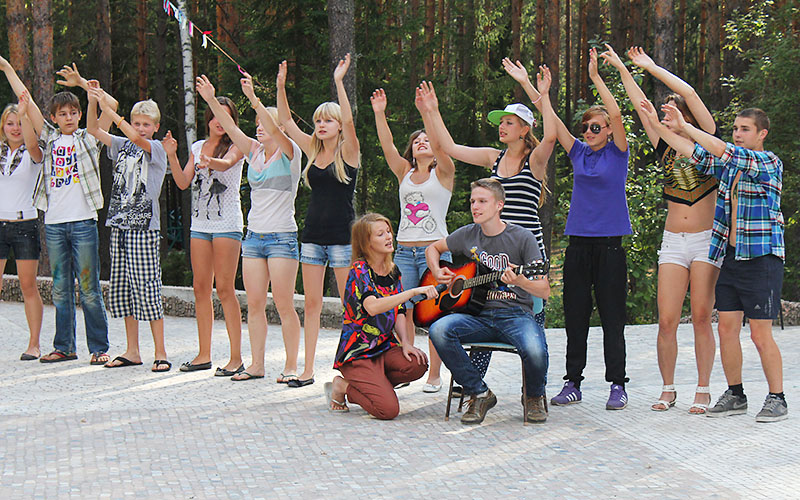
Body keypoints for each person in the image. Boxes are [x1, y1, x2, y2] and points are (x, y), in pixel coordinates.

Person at [641, 102, 787, 423]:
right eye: (735, 129)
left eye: (744, 129)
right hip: (730, 257)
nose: (738, 134)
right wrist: (663, 127)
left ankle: (777, 397)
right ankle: (736, 393)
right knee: (726, 331)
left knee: (761, 335)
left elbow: (721, 149)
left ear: (762, 134)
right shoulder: (730, 169)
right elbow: (698, 155)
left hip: (761, 259)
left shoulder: (766, 162)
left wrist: (686, 126)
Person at [419, 65, 557, 386]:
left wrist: (537, 91)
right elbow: (451, 148)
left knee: (530, 318)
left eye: (509, 122)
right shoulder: (492, 158)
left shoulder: (533, 161)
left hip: (526, 252)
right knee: (483, 311)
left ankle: (533, 390)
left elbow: (551, 135)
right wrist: (434, 111)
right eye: (500, 122)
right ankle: (474, 388)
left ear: (524, 129)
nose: (501, 126)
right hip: (492, 252)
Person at [603, 45, 720, 414]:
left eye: (674, 113)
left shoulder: (709, 140)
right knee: (667, 319)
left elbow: (689, 94)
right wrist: (624, 68)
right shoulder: (662, 144)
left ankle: (703, 388)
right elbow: (639, 105)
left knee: (702, 316)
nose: (668, 116)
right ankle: (668, 388)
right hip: (674, 241)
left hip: (705, 240)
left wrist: (652, 68)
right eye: (665, 113)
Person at [193, 73, 303, 382]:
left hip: (282, 237)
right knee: (254, 304)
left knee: (284, 304)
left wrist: (255, 98)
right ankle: (256, 365)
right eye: (257, 122)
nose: (259, 126)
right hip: (254, 238)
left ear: (279, 128)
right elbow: (230, 127)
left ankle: (291, 366)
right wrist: (212, 99)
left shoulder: (290, 153)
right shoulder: (254, 151)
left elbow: (272, 126)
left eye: (265, 122)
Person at [546, 47, 631, 410]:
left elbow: (615, 111)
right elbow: (556, 126)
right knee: (575, 317)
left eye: (596, 127)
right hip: (578, 246)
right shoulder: (578, 152)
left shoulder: (618, 152)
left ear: (609, 130)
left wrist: (597, 76)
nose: (589, 132)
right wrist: (542, 93)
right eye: (586, 128)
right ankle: (573, 381)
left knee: (613, 318)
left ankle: (617, 384)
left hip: (611, 247)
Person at [426, 178, 551, 425]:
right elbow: (433, 248)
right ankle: (479, 392)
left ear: (499, 205)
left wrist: (521, 281)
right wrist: (437, 270)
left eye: (482, 201)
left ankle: (533, 396)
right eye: (473, 201)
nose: (475, 206)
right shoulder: (467, 235)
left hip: (515, 315)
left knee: (535, 350)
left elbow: (544, 290)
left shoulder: (522, 238)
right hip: (477, 316)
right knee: (438, 330)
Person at [277, 54, 360, 388]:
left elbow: (352, 123)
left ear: (338, 125)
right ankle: (307, 370)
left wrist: (339, 82)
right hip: (312, 237)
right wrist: (281, 86)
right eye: (318, 121)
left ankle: (351, 371)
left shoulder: (349, 151)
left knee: (348, 306)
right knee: (311, 305)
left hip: (342, 238)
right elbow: (284, 120)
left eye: (328, 120)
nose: (321, 125)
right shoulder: (312, 150)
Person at [22, 63, 113, 365]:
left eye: (73, 113)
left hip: (84, 222)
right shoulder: (49, 139)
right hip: (55, 224)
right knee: (61, 289)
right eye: (63, 114)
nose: (69, 118)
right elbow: (31, 108)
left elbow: (109, 105)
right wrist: (9, 69)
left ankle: (99, 348)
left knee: (88, 288)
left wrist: (82, 83)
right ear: (54, 118)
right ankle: (64, 347)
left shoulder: (89, 138)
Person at [369, 86, 455, 393]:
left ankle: (434, 374)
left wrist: (429, 113)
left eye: (426, 140)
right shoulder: (404, 171)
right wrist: (380, 113)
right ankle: (408, 362)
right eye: (416, 141)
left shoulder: (443, 172)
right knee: (401, 308)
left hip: (434, 250)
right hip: (404, 250)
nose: (421, 143)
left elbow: (444, 146)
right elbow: (387, 144)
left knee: (434, 311)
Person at [85, 84, 171, 372]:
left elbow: (135, 138)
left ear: (155, 127)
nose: (141, 128)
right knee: (124, 290)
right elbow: (94, 132)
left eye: (147, 124)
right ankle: (132, 350)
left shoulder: (156, 150)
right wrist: (92, 102)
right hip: (120, 225)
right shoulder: (122, 146)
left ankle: (161, 351)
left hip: (144, 228)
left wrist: (112, 111)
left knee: (148, 287)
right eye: (137, 123)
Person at [166, 86, 245, 376]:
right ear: (208, 118)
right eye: (214, 115)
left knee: (225, 288)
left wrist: (212, 163)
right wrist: (173, 155)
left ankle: (236, 357)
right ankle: (203, 354)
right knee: (200, 287)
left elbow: (227, 164)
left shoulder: (238, 144)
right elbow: (184, 182)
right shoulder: (198, 146)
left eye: (225, 116)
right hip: (200, 224)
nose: (218, 121)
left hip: (227, 224)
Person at [325, 213, 436, 419]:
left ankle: (374, 386)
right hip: (358, 353)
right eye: (381, 234)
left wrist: (405, 342)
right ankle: (342, 386)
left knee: (416, 362)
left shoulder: (393, 270)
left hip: (383, 347)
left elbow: (400, 311)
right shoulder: (359, 270)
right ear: (367, 243)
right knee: (388, 410)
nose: (388, 237)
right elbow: (372, 307)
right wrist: (412, 292)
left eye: (388, 232)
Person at [0, 58, 44, 361]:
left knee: (28, 285)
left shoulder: (34, 151)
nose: (15, 128)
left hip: (25, 224)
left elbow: (28, 105)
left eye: (19, 122)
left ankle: (34, 343)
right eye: (10, 123)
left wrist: (6, 68)